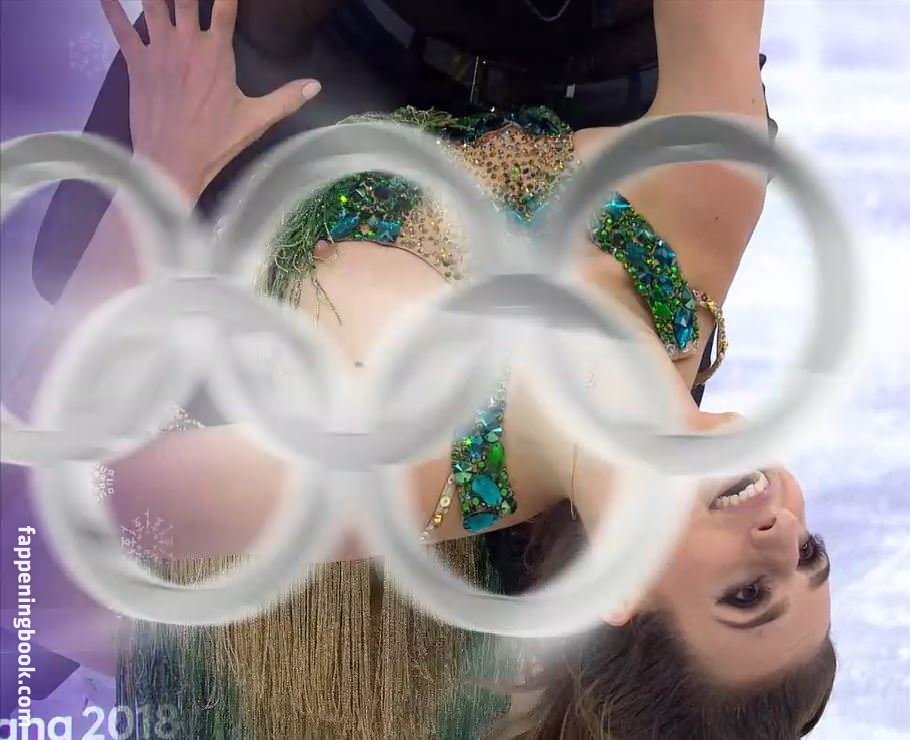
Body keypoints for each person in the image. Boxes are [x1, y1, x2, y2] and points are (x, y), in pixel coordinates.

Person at [18, 1, 833, 737]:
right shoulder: (699, 223)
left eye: (747, 595)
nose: (780, 536)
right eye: (810, 556)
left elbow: (36, 539)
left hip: (259, 126)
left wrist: (165, 168)